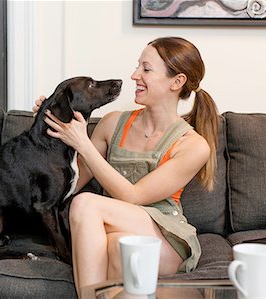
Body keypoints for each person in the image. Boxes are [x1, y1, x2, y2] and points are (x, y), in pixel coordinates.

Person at [33, 36, 219, 295]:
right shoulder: (112, 123)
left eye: (146, 69)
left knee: (87, 204)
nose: (134, 75)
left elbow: (134, 196)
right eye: (137, 66)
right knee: (117, 248)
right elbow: (72, 183)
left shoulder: (192, 145)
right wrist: (50, 123)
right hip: (116, 231)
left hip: (165, 240)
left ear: (177, 82)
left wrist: (84, 144)